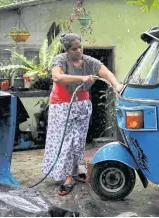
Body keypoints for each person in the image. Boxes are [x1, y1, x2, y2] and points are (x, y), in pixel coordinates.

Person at [41, 33, 123, 195]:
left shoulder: (89, 62)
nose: (78, 50)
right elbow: (57, 77)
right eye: (74, 49)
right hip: (62, 106)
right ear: (66, 50)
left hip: (82, 105)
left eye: (80, 47)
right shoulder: (61, 60)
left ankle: (75, 171)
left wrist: (117, 86)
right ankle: (67, 178)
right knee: (66, 142)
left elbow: (106, 73)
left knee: (78, 141)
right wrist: (81, 78)